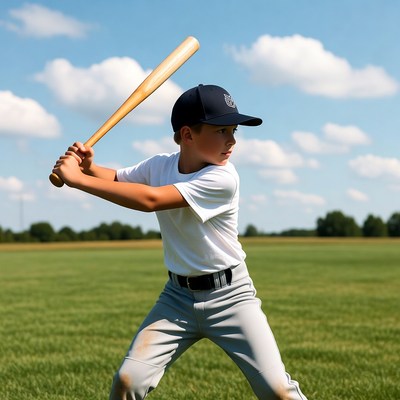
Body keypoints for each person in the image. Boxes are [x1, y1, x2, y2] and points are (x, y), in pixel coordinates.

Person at [53, 84, 308, 400]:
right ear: (187, 135)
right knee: (127, 380)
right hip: (176, 299)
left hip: (231, 296)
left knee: (277, 390)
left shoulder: (222, 178)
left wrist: (78, 180)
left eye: (233, 131)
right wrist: (89, 167)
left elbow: (150, 199)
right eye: (221, 130)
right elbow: (118, 179)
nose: (232, 140)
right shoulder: (159, 165)